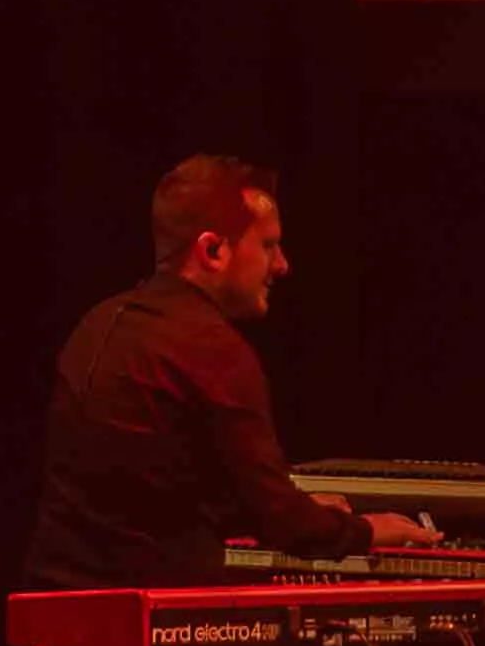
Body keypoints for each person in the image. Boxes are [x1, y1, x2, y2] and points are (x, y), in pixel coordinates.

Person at [25, 153, 440, 584]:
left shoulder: (97, 324)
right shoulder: (211, 349)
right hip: (157, 614)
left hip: (54, 599)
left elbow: (141, 498)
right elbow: (287, 526)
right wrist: (368, 530)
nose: (282, 265)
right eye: (267, 245)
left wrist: (291, 507)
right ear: (213, 249)